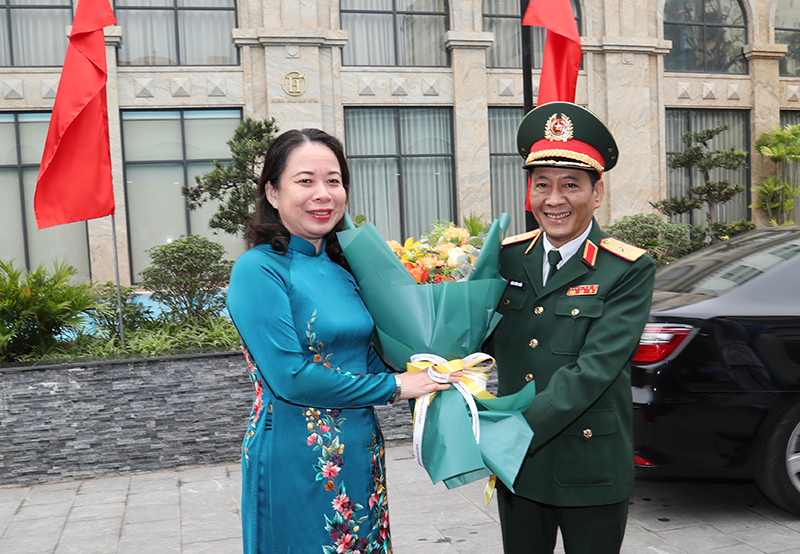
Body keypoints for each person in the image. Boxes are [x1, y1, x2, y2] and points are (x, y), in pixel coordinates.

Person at [226, 128, 460, 554]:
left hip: (360, 450)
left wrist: (432, 362)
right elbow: (291, 377)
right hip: (296, 456)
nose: (323, 194)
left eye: (333, 181)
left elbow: (364, 359)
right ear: (273, 193)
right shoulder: (258, 270)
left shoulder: (343, 268)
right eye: (305, 181)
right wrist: (397, 385)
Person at [488, 102, 656, 554]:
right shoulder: (507, 257)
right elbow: (473, 341)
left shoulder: (626, 268)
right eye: (541, 184)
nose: (553, 199)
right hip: (518, 469)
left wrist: (511, 429)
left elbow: (595, 370)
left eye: (570, 184)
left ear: (597, 193)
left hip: (588, 466)